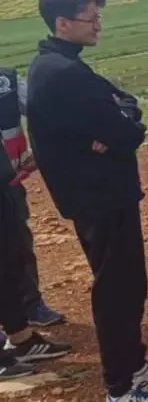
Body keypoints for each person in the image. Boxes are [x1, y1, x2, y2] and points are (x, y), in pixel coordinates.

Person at [25, 0, 148, 401]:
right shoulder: (63, 74)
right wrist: (117, 128)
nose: (98, 25)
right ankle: (120, 388)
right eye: (90, 18)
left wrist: (117, 125)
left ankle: (134, 366)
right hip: (98, 195)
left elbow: (126, 104)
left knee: (129, 283)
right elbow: (127, 132)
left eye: (98, 16)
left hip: (102, 191)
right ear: (62, 23)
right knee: (117, 289)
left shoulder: (59, 65)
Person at [0, 71, 72, 379]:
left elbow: (41, 107)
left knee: (10, 260)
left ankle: (22, 338)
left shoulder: (6, 80)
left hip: (5, 182)